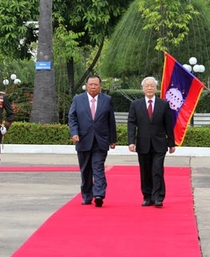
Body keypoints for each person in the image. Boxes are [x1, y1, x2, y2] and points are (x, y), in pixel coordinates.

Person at [68, 75, 117, 207]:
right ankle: (87, 195)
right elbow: (72, 118)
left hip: (101, 140)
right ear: (86, 85)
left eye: (96, 84)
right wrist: (74, 133)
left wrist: (113, 139)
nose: (93, 87)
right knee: (86, 170)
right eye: (91, 84)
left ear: (100, 86)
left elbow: (111, 120)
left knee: (98, 167)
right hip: (83, 139)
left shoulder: (107, 100)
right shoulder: (78, 99)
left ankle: (99, 194)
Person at [127, 76, 176, 208]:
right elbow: (131, 124)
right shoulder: (135, 105)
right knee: (145, 171)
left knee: (157, 170)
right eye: (147, 86)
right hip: (143, 144)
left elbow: (168, 125)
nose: (149, 88)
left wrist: (171, 143)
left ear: (156, 88)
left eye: (152, 86)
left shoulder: (163, 104)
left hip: (159, 144)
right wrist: (131, 141)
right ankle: (147, 196)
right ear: (142, 88)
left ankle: (158, 197)